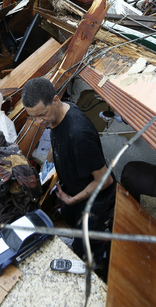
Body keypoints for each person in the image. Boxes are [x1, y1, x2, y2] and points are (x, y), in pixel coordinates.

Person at [21, 77, 115, 266]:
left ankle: (97, 269)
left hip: (96, 197)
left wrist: (72, 199)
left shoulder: (79, 135)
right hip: (74, 188)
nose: (38, 121)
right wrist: (45, 168)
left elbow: (105, 180)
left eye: (42, 114)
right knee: (67, 213)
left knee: (85, 249)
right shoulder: (57, 115)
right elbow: (55, 142)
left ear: (55, 100)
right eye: (33, 117)